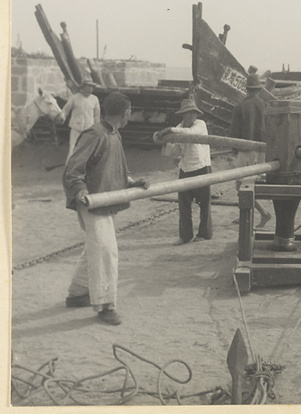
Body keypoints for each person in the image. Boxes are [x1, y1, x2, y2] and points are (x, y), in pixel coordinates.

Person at [63, 92, 148, 325]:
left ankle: (78, 292)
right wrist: (80, 190)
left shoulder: (114, 135)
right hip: (91, 202)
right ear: (126, 112)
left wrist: (132, 182)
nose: (130, 114)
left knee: (96, 246)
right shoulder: (94, 134)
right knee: (107, 251)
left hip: (106, 201)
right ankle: (106, 306)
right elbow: (72, 169)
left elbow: (115, 169)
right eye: (130, 111)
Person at [153, 99, 213, 245]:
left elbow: (191, 134)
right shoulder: (179, 127)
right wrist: (165, 141)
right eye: (187, 114)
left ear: (196, 114)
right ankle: (185, 236)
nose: (190, 116)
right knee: (184, 204)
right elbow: (175, 151)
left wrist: (170, 131)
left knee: (204, 203)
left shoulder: (200, 125)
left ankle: (204, 233)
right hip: (185, 168)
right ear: (183, 115)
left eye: (193, 113)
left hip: (201, 167)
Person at [229, 73, 271, 228]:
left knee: (240, 186)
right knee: (252, 184)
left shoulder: (240, 107)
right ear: (259, 90)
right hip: (261, 150)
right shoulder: (265, 105)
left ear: (246, 89)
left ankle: (262, 213)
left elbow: (234, 131)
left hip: (246, 149)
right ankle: (250, 213)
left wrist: (234, 150)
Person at [61, 79, 101, 160]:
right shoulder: (74, 98)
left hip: (89, 129)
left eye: (92, 87)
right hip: (76, 128)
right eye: (88, 86)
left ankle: (85, 170)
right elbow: (65, 110)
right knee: (72, 148)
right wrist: (62, 117)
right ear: (83, 87)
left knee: (88, 149)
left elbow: (97, 116)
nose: (91, 89)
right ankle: (69, 169)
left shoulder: (95, 99)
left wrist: (97, 128)